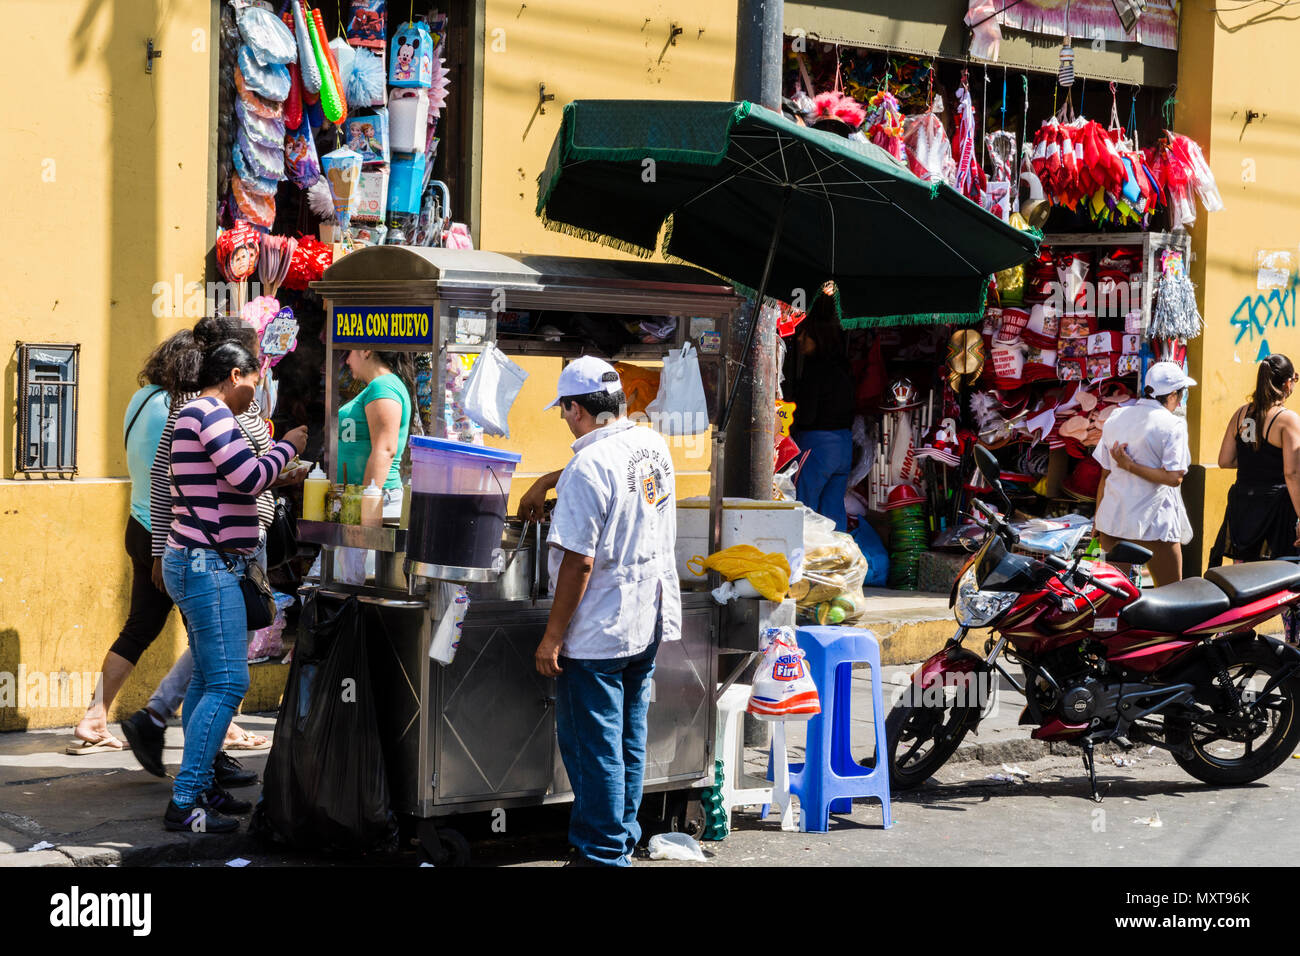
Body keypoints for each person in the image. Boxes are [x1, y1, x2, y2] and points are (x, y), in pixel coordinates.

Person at [118, 318, 289, 786]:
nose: (258, 380)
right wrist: (285, 453)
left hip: (231, 544)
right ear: (233, 368)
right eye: (253, 369)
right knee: (223, 671)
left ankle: (200, 763)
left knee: (214, 664)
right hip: (211, 550)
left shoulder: (215, 407)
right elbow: (169, 481)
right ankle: (188, 774)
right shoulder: (200, 411)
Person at [525, 356, 681, 867]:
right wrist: (551, 478)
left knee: (595, 749)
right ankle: (621, 838)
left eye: (565, 410)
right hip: (647, 619)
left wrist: (552, 637)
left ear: (576, 408)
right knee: (627, 740)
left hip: (598, 632)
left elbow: (579, 563)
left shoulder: (587, 468)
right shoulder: (651, 444)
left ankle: (601, 853)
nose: (565, 419)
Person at [159, 340, 306, 832]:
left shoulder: (193, 412)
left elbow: (229, 482)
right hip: (207, 565)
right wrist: (289, 447)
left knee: (206, 678)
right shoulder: (213, 413)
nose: (257, 390)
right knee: (228, 682)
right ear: (236, 374)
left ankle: (199, 787)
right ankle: (185, 802)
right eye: (254, 380)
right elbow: (247, 478)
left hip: (198, 562)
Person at [68, 332, 188, 754]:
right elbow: (171, 481)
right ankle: (220, 731)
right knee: (208, 637)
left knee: (138, 629)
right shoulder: (178, 410)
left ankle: (94, 718)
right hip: (170, 533)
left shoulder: (141, 400)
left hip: (138, 525)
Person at [1092, 362, 1196, 587]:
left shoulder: (1116, 417)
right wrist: (1130, 466)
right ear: (1172, 395)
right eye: (1180, 395)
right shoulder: (1173, 425)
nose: (1180, 401)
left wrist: (1097, 519)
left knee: (1112, 600)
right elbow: (1174, 478)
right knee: (1172, 594)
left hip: (1113, 519)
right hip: (1153, 523)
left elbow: (1105, 475)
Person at [1209, 353, 1300, 567]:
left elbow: (1225, 460)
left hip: (1242, 505)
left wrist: (1255, 462)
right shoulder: (1287, 419)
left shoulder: (1241, 414)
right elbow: (1292, 473)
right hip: (1275, 510)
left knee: (1242, 573)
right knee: (1277, 574)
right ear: (1287, 384)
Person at [783, 293, 855, 531]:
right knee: (833, 511)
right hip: (843, 445)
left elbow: (807, 415)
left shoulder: (816, 371)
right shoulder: (842, 367)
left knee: (804, 506)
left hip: (818, 445)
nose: (800, 338)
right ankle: (838, 563)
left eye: (805, 334)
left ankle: (806, 562)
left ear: (818, 337)